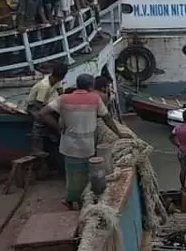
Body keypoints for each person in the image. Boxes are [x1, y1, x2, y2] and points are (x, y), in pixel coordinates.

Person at [39, 74, 130, 210]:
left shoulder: (63, 98)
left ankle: (70, 199)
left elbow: (42, 113)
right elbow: (107, 118)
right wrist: (119, 133)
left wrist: (58, 127)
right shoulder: (94, 99)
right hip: (87, 145)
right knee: (86, 174)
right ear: (91, 86)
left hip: (68, 145)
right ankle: (84, 201)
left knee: (71, 174)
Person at [27, 62, 68, 153]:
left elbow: (61, 94)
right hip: (34, 106)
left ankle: (53, 134)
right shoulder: (44, 86)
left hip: (45, 103)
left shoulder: (57, 80)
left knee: (56, 114)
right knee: (40, 119)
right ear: (62, 76)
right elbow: (38, 104)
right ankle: (36, 148)